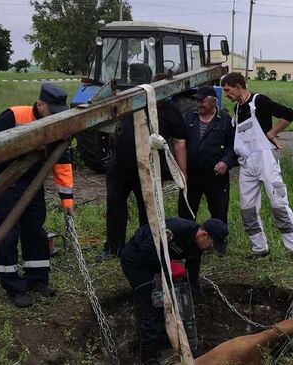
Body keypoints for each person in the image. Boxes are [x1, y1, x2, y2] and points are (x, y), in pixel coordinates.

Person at [0, 83, 74, 308]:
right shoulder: (13, 116)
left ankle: (37, 279)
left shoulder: (57, 125)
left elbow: (62, 161)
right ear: (40, 104)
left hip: (33, 184)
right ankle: (13, 287)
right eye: (52, 110)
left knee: (35, 230)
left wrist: (67, 199)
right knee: (7, 235)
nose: (55, 115)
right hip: (5, 185)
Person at [220, 72, 293, 268]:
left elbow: (289, 114)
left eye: (227, 90)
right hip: (247, 164)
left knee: (279, 206)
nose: (226, 95)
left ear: (238, 86)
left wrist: (272, 133)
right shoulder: (236, 109)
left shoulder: (258, 101)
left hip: (266, 161)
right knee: (247, 209)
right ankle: (260, 249)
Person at [98, 73, 187, 261]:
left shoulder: (172, 112)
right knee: (115, 204)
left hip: (149, 169)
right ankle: (113, 247)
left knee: (149, 209)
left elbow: (179, 142)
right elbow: (112, 123)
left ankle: (145, 245)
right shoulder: (133, 102)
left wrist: (182, 172)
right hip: (120, 166)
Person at [120, 217, 228, 365]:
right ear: (204, 235)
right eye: (212, 244)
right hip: (136, 261)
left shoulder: (197, 245)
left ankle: (165, 343)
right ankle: (148, 359)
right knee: (153, 308)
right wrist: (166, 270)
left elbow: (193, 267)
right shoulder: (176, 229)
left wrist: (193, 293)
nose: (211, 248)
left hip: (154, 264)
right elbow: (147, 248)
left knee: (167, 305)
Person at [178, 86, 235, 231]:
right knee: (186, 213)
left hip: (215, 177)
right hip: (191, 175)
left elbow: (233, 146)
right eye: (197, 100)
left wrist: (225, 162)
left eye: (202, 101)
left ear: (213, 102)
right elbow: (179, 142)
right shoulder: (189, 116)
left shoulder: (225, 121)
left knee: (219, 212)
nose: (198, 104)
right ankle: (187, 242)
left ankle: (219, 243)